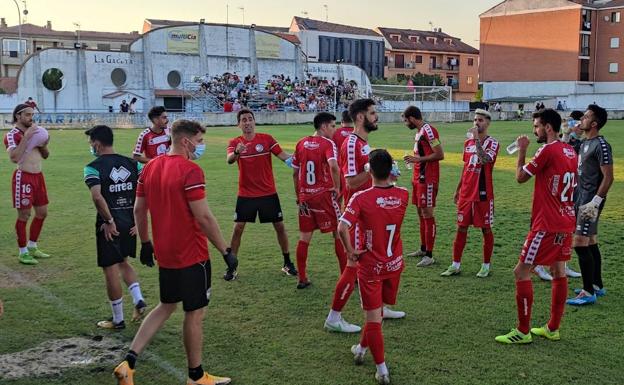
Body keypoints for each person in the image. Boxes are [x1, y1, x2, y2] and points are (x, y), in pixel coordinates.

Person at [113, 119, 236, 385]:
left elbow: (138, 210)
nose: (200, 147)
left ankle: (129, 362)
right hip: (192, 254)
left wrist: (146, 243)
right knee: (195, 312)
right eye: (199, 142)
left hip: (165, 252)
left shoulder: (150, 167)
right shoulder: (191, 171)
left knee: (166, 305)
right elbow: (203, 217)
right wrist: (226, 250)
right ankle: (196, 376)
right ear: (185, 141)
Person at [495, 108, 577, 344]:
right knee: (558, 271)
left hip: (547, 224)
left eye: (537, 127)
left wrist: (522, 150)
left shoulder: (548, 149)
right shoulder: (570, 149)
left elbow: (520, 177)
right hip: (566, 219)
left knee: (521, 271)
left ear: (548, 127)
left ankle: (522, 331)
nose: (535, 131)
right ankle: (552, 328)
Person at [324, 98, 404, 334]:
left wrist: (387, 173)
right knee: (354, 265)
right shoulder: (351, 143)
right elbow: (350, 182)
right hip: (358, 215)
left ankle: (378, 308)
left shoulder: (364, 143)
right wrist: (371, 170)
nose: (376, 116)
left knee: (378, 260)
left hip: (372, 210)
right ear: (360, 117)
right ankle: (334, 317)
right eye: (372, 113)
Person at [340, 149, 409, 384]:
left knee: (372, 317)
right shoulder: (404, 195)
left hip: (371, 265)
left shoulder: (360, 198)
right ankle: (360, 348)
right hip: (394, 264)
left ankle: (382, 369)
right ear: (391, 170)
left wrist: (350, 251)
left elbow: (342, 227)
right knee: (377, 313)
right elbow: (393, 185)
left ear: (369, 169)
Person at [84, 125, 147, 329]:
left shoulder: (93, 167)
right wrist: (139, 222)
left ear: (97, 143)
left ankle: (118, 319)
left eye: (91, 143)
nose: (91, 147)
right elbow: (144, 194)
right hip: (131, 221)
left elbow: (96, 196)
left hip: (109, 224)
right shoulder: (133, 164)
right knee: (123, 261)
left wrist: (109, 221)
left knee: (110, 269)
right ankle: (138, 298)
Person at [226, 109, 296, 280]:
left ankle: (287, 263)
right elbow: (229, 159)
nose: (247, 122)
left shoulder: (266, 139)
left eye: (250, 119)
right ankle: (232, 266)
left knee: (279, 226)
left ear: (254, 121)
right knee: (238, 228)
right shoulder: (235, 142)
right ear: (239, 124)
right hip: (246, 194)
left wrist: (301, 157)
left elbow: (284, 157)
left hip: (268, 193)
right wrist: (237, 152)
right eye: (244, 120)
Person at [441, 109, 498, 278]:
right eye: (475, 120)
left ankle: (486, 266)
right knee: (461, 227)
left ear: (487, 123)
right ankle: (455, 265)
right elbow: (466, 168)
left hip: (483, 193)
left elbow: (485, 160)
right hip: (466, 193)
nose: (476, 123)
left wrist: (476, 141)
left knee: (485, 229)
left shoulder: (493, 143)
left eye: (480, 120)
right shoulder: (468, 144)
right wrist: (458, 189)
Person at [566, 104, 613, 306]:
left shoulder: (601, 145)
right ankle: (596, 285)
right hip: (581, 198)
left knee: (579, 243)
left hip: (590, 202)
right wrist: (570, 133)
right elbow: (568, 148)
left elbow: (609, 177)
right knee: (591, 241)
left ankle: (587, 292)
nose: (581, 120)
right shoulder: (585, 143)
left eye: (585, 117)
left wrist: (595, 202)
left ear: (594, 123)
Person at [292, 112, 344, 288]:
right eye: (332, 126)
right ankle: (346, 276)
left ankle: (302, 277)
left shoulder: (300, 143)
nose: (334, 130)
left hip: (305, 197)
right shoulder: (328, 143)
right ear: (323, 127)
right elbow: (334, 166)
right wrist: (337, 187)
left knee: (304, 237)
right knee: (339, 232)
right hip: (324, 196)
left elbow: (295, 172)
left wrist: (298, 194)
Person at [4, 104, 51, 265]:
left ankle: (32, 246)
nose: (31, 118)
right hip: (23, 177)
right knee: (24, 215)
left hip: (39, 177)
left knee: (42, 213)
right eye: (28, 115)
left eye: (32, 115)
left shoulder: (36, 132)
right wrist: (27, 137)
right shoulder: (12, 135)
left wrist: (42, 144)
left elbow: (45, 155)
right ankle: (22, 252)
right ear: (18, 116)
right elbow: (15, 157)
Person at [402, 106, 444, 266]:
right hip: (418, 179)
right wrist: (414, 159)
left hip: (428, 179)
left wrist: (417, 160)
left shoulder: (429, 131)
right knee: (420, 213)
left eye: (406, 120)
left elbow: (440, 154)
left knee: (427, 214)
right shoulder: (419, 132)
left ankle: (429, 255)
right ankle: (423, 248)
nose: (406, 124)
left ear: (412, 118)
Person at [332, 110, 354, 206]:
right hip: (354, 170)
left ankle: (338, 218)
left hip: (339, 168)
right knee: (351, 197)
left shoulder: (336, 132)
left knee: (338, 196)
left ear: (341, 120)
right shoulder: (357, 132)